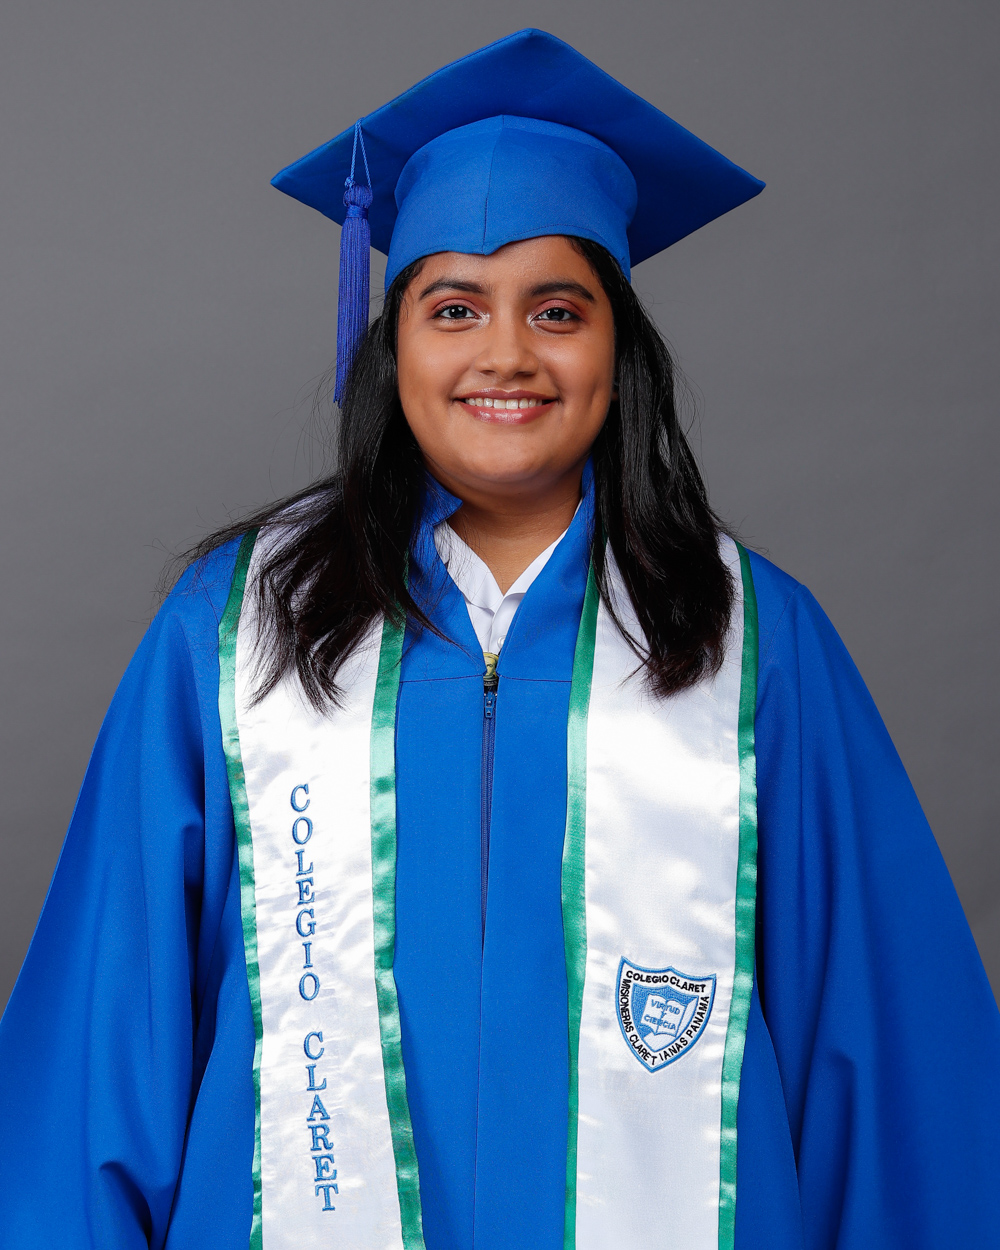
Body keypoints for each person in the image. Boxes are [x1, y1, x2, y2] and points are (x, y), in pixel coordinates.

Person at [0, 27, 997, 1250]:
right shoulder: (238, 625)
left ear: (618, 348)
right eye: (455, 308)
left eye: (558, 310)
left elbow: (886, 1059)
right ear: (393, 344)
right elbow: (101, 1050)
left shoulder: (752, 642)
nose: (506, 354)